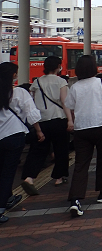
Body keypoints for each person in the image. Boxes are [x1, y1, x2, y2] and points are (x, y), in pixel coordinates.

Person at [65, 55, 102, 218]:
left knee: (81, 164)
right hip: (100, 125)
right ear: (94, 67)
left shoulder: (75, 87)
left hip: (81, 128)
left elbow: (70, 106)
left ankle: (75, 200)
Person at [21, 56, 73, 195]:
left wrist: (36, 125)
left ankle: (29, 178)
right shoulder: (61, 81)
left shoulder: (36, 82)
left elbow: (32, 104)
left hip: (42, 121)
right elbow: (64, 102)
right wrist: (70, 120)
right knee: (61, 149)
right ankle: (59, 178)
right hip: (58, 119)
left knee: (38, 150)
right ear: (58, 66)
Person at [0, 62, 44, 224]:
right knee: (7, 173)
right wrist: (38, 131)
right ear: (13, 75)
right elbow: (31, 114)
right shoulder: (19, 92)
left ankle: (8, 197)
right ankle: (1, 208)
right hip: (14, 135)